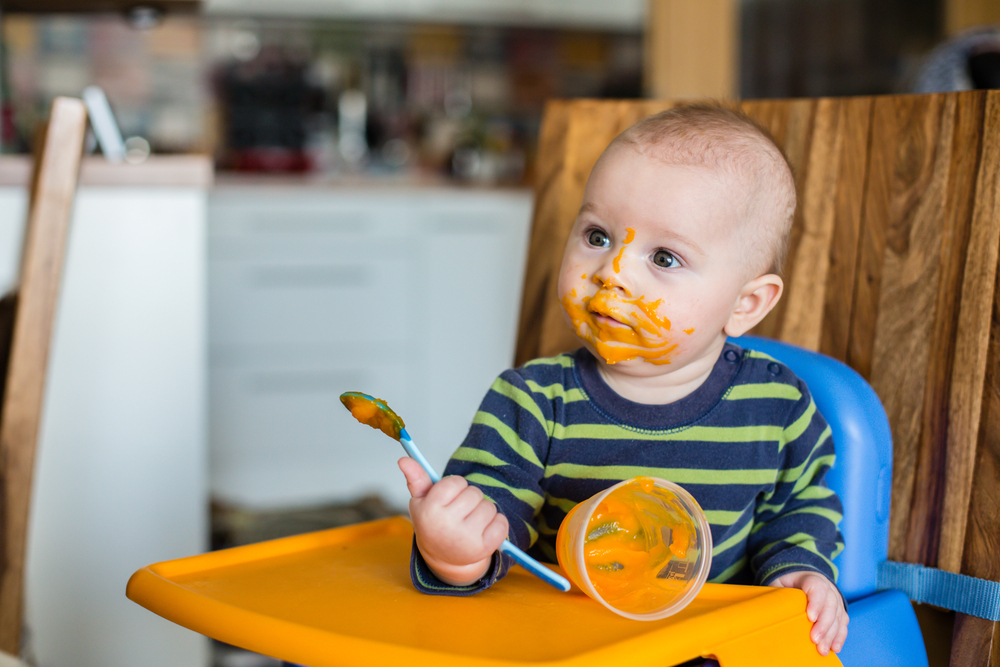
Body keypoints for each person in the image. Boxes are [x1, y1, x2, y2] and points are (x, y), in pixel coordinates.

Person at [399, 104, 849, 657]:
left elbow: (802, 508)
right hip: (564, 647)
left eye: (664, 256)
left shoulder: (777, 407)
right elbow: (492, 527)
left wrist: (800, 573)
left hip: (708, 648)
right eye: (597, 236)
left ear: (746, 303)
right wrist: (456, 552)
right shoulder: (531, 402)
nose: (613, 271)